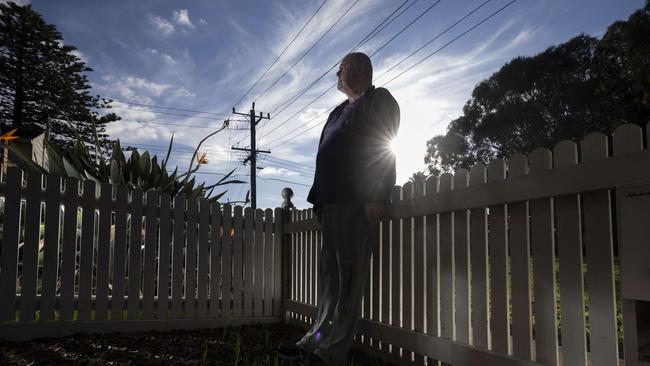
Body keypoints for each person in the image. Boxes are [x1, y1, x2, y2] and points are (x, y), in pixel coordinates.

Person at [275, 52, 400, 365]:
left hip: (356, 201)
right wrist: (318, 198)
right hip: (330, 203)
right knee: (330, 281)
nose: (336, 77)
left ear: (357, 70)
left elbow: (383, 143)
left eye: (339, 70)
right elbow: (325, 154)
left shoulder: (379, 100)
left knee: (348, 282)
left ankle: (332, 353)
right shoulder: (337, 111)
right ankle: (313, 341)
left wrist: (377, 193)